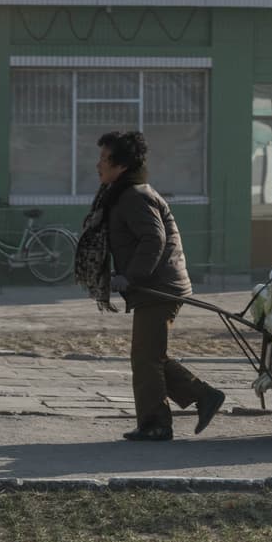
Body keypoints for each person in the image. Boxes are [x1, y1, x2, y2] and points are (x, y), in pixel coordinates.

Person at [85, 131, 224, 442]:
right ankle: (203, 396)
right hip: (157, 283)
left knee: (146, 358)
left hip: (159, 286)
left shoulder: (135, 195)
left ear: (121, 164)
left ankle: (157, 424)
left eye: (104, 160)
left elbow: (154, 239)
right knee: (150, 355)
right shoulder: (125, 193)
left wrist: (132, 276)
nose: (98, 166)